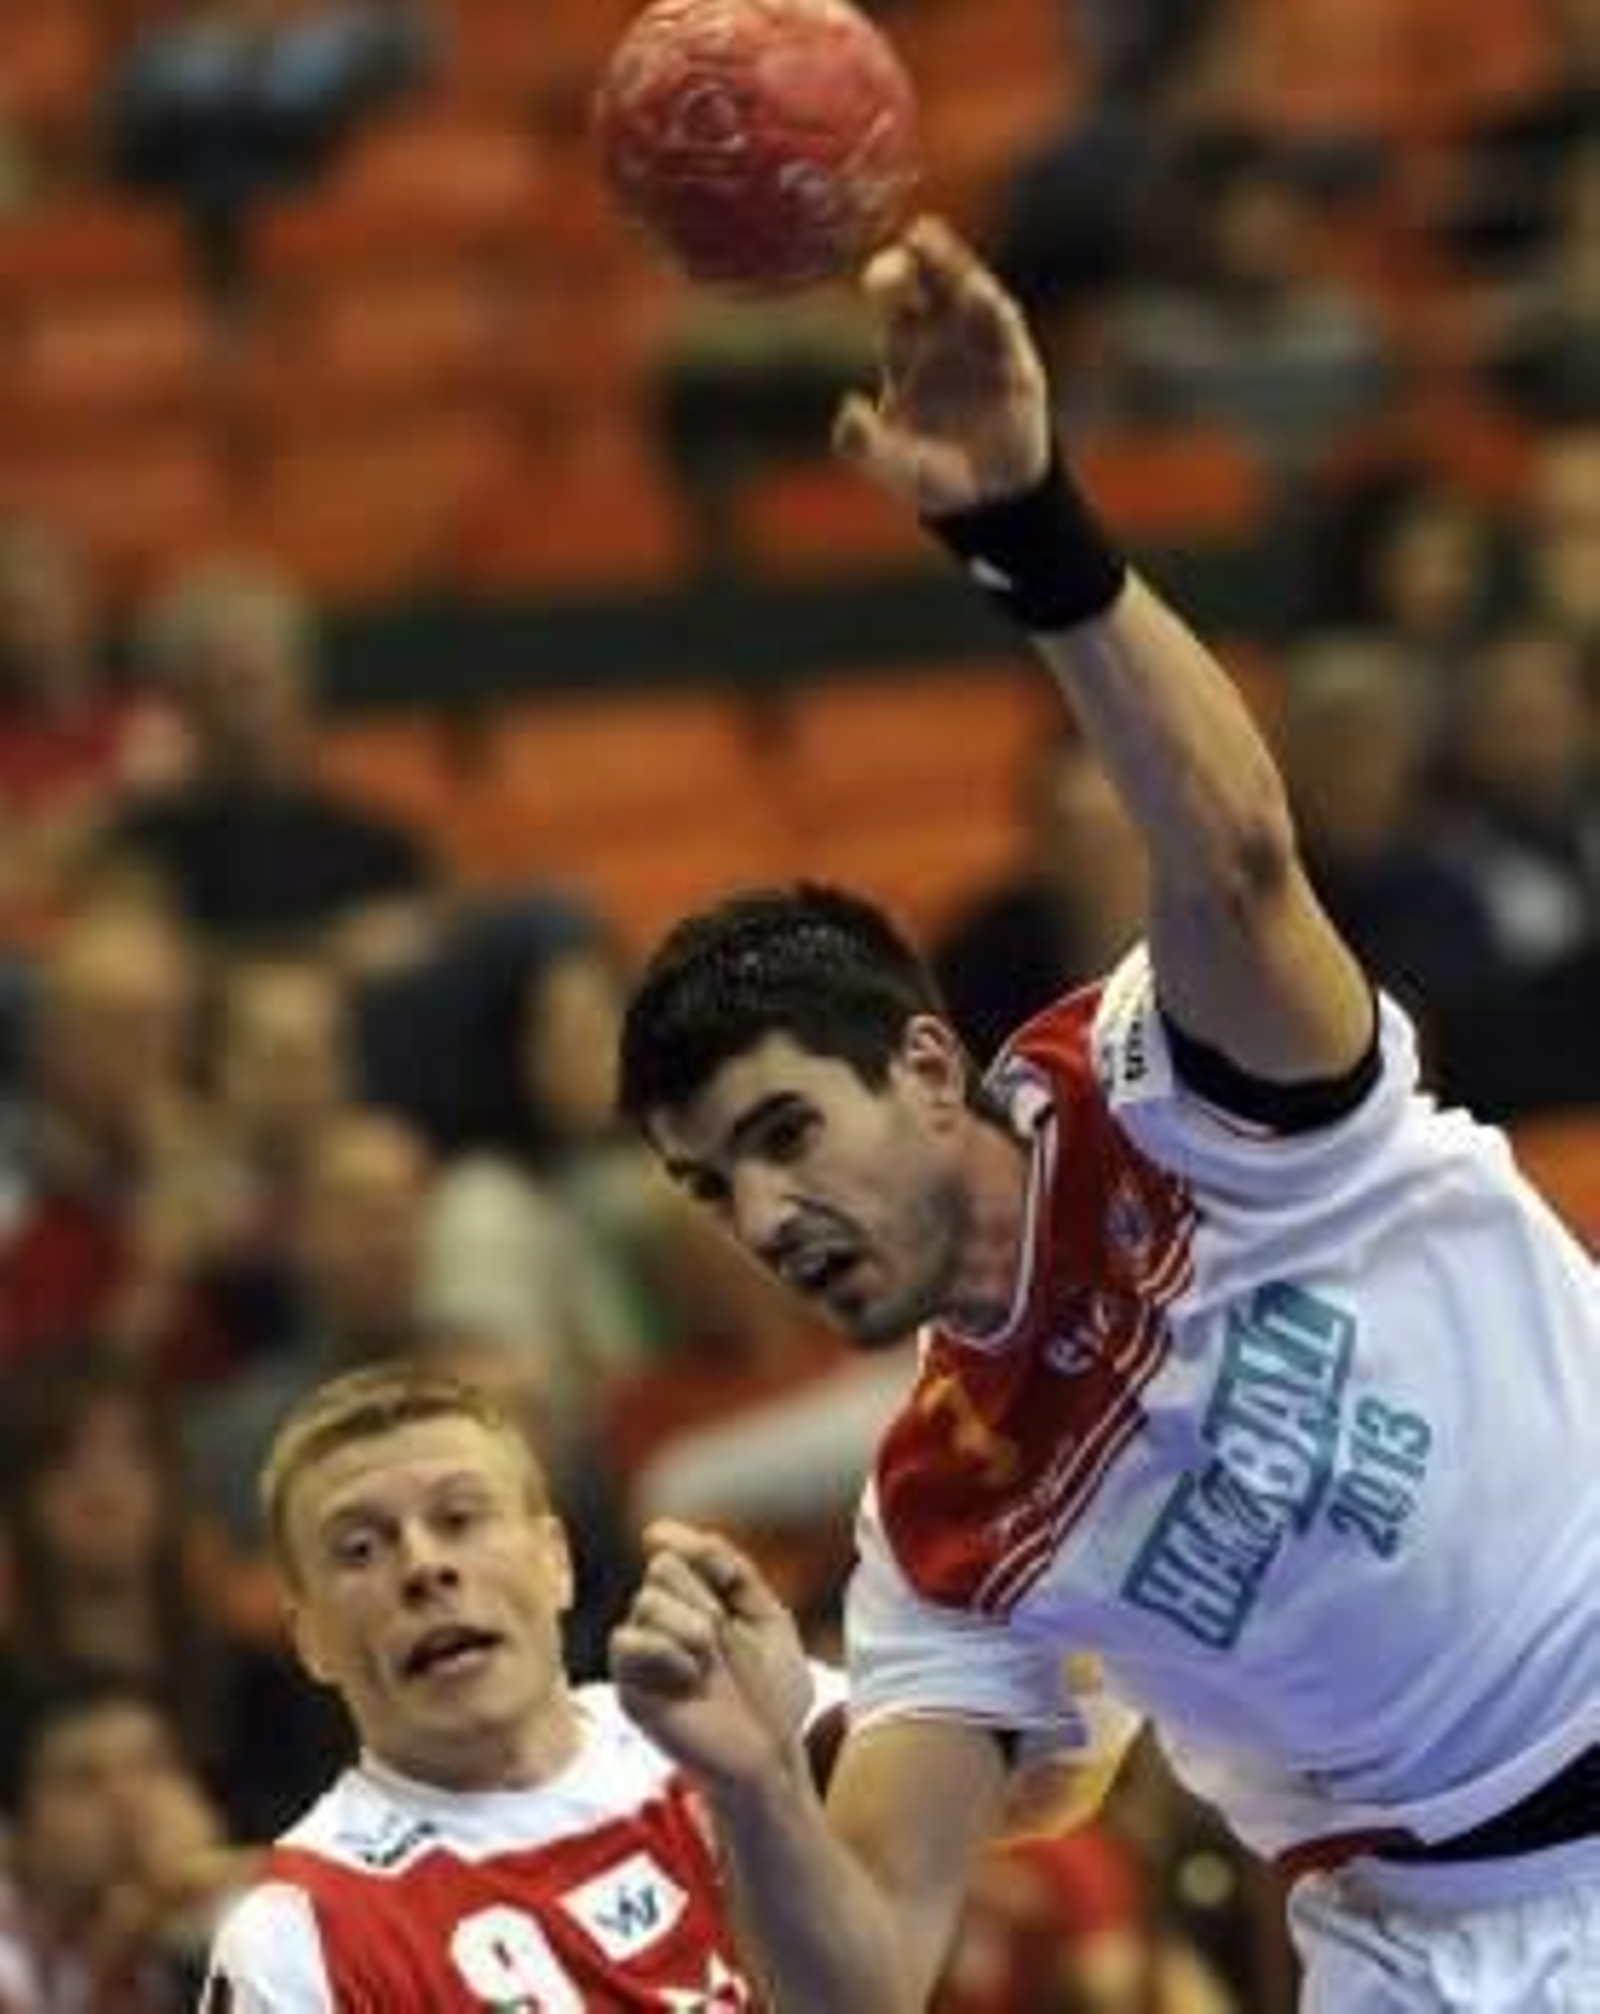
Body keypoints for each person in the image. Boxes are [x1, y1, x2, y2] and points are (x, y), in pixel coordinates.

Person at [609, 216, 1600, 2011]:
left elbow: (1233, 847)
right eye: (707, 1187)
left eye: (779, 1133)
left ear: (924, 1066)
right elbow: (867, 1968)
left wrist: (1029, 530)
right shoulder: (939, 1520)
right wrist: (755, 1777)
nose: (760, 1216)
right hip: (1451, 1949)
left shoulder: (1160, 1085)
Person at [201, 1361, 841, 2008]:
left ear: (555, 1562)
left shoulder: (747, 1724)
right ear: (308, 1638)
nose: (424, 1567)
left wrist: (772, 1774)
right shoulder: (297, 1938)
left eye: (458, 1518)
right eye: (361, 1549)